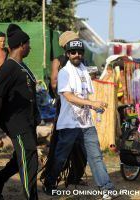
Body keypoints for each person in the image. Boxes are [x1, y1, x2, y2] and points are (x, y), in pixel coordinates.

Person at [43, 39, 114, 198]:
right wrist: (92, 103)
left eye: (80, 52)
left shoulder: (84, 71)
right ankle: (49, 183)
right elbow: (68, 96)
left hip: (86, 123)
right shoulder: (64, 72)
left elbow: (84, 94)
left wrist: (95, 106)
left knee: (96, 157)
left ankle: (107, 188)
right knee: (61, 157)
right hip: (69, 124)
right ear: (67, 54)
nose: (77, 55)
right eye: (73, 52)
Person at [0, 24, 40, 200]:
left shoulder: (21, 66)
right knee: (29, 158)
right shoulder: (8, 67)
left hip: (27, 121)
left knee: (22, 157)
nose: (30, 47)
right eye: (28, 44)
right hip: (17, 122)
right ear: (22, 45)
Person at [41, 31, 87, 187]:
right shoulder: (59, 60)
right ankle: (50, 181)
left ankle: (74, 177)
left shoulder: (80, 61)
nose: (77, 45)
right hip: (66, 109)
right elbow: (54, 82)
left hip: (81, 111)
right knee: (63, 147)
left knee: (81, 148)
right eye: (74, 42)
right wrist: (65, 97)